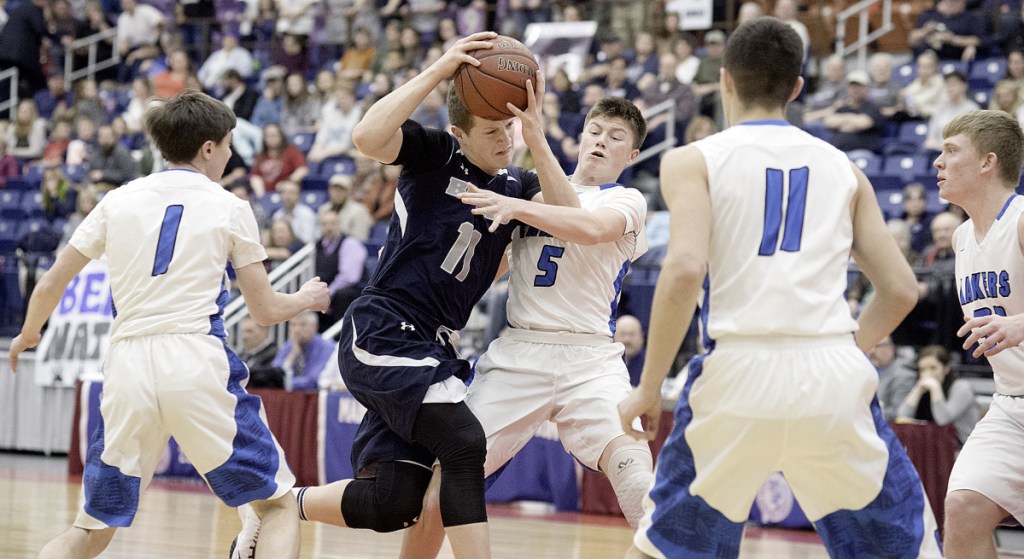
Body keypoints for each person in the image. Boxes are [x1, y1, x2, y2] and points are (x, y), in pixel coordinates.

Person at [232, 31, 576, 559]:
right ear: (460, 131)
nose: (504, 139)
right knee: (464, 444)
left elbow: (570, 220)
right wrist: (440, 70)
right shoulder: (436, 154)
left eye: (508, 128)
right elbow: (368, 137)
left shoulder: (519, 185)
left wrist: (536, 130)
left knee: (394, 503)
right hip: (386, 326)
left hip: (433, 347)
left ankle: (278, 504)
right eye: (492, 130)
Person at [618, 17, 942, 559]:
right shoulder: (844, 167)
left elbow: (682, 270)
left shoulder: (691, 159)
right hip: (833, 375)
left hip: (736, 374)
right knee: (901, 549)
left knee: (663, 550)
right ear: (796, 87)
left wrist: (650, 387)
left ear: (724, 81)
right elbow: (902, 289)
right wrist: (842, 351)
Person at [8, 90, 330, 559]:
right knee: (278, 505)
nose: (229, 154)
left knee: (90, 529)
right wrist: (304, 297)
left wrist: (30, 331)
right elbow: (264, 311)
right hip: (195, 358)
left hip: (127, 366)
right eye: (227, 145)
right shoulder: (229, 206)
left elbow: (52, 282)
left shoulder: (116, 200)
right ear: (207, 148)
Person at [401, 97, 656, 557]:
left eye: (616, 137)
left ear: (632, 156)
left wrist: (527, 157)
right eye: (595, 130)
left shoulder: (628, 200)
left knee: (634, 465)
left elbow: (588, 228)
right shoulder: (527, 193)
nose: (602, 140)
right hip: (520, 350)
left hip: (590, 356)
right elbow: (487, 269)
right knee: (441, 488)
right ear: (581, 138)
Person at [935, 109, 1024, 558]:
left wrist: (1020, 324)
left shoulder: (1022, 220)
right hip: (1011, 407)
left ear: (988, 162)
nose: (938, 162)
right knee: (964, 508)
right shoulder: (962, 237)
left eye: (951, 151)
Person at [897, 345, 978, 444]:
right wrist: (917, 391)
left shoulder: (961, 387)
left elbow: (943, 420)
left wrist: (935, 389)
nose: (927, 374)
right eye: (922, 369)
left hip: (961, 448)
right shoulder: (922, 388)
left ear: (946, 368)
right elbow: (902, 418)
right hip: (930, 447)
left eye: (933, 368)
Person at [270, 311, 335, 391]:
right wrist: (292, 356)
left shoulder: (326, 347)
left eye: (302, 325)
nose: (297, 329)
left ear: (315, 327)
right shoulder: (288, 346)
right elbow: (273, 376)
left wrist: (285, 384)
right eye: (293, 325)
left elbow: (313, 381)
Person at [871, 335, 918, 421]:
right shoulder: (868, 371)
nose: (872, 351)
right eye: (870, 346)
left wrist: (865, 413)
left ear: (891, 348)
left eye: (877, 346)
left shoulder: (904, 375)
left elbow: (898, 412)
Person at [236, 316, 280, 387]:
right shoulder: (241, 356)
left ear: (265, 330)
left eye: (249, 331)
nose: (244, 336)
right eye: (243, 332)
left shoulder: (275, 354)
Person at [615, 314, 647, 387]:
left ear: (642, 338)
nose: (627, 339)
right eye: (622, 334)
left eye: (632, 334)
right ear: (613, 337)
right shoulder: (604, 361)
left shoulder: (651, 364)